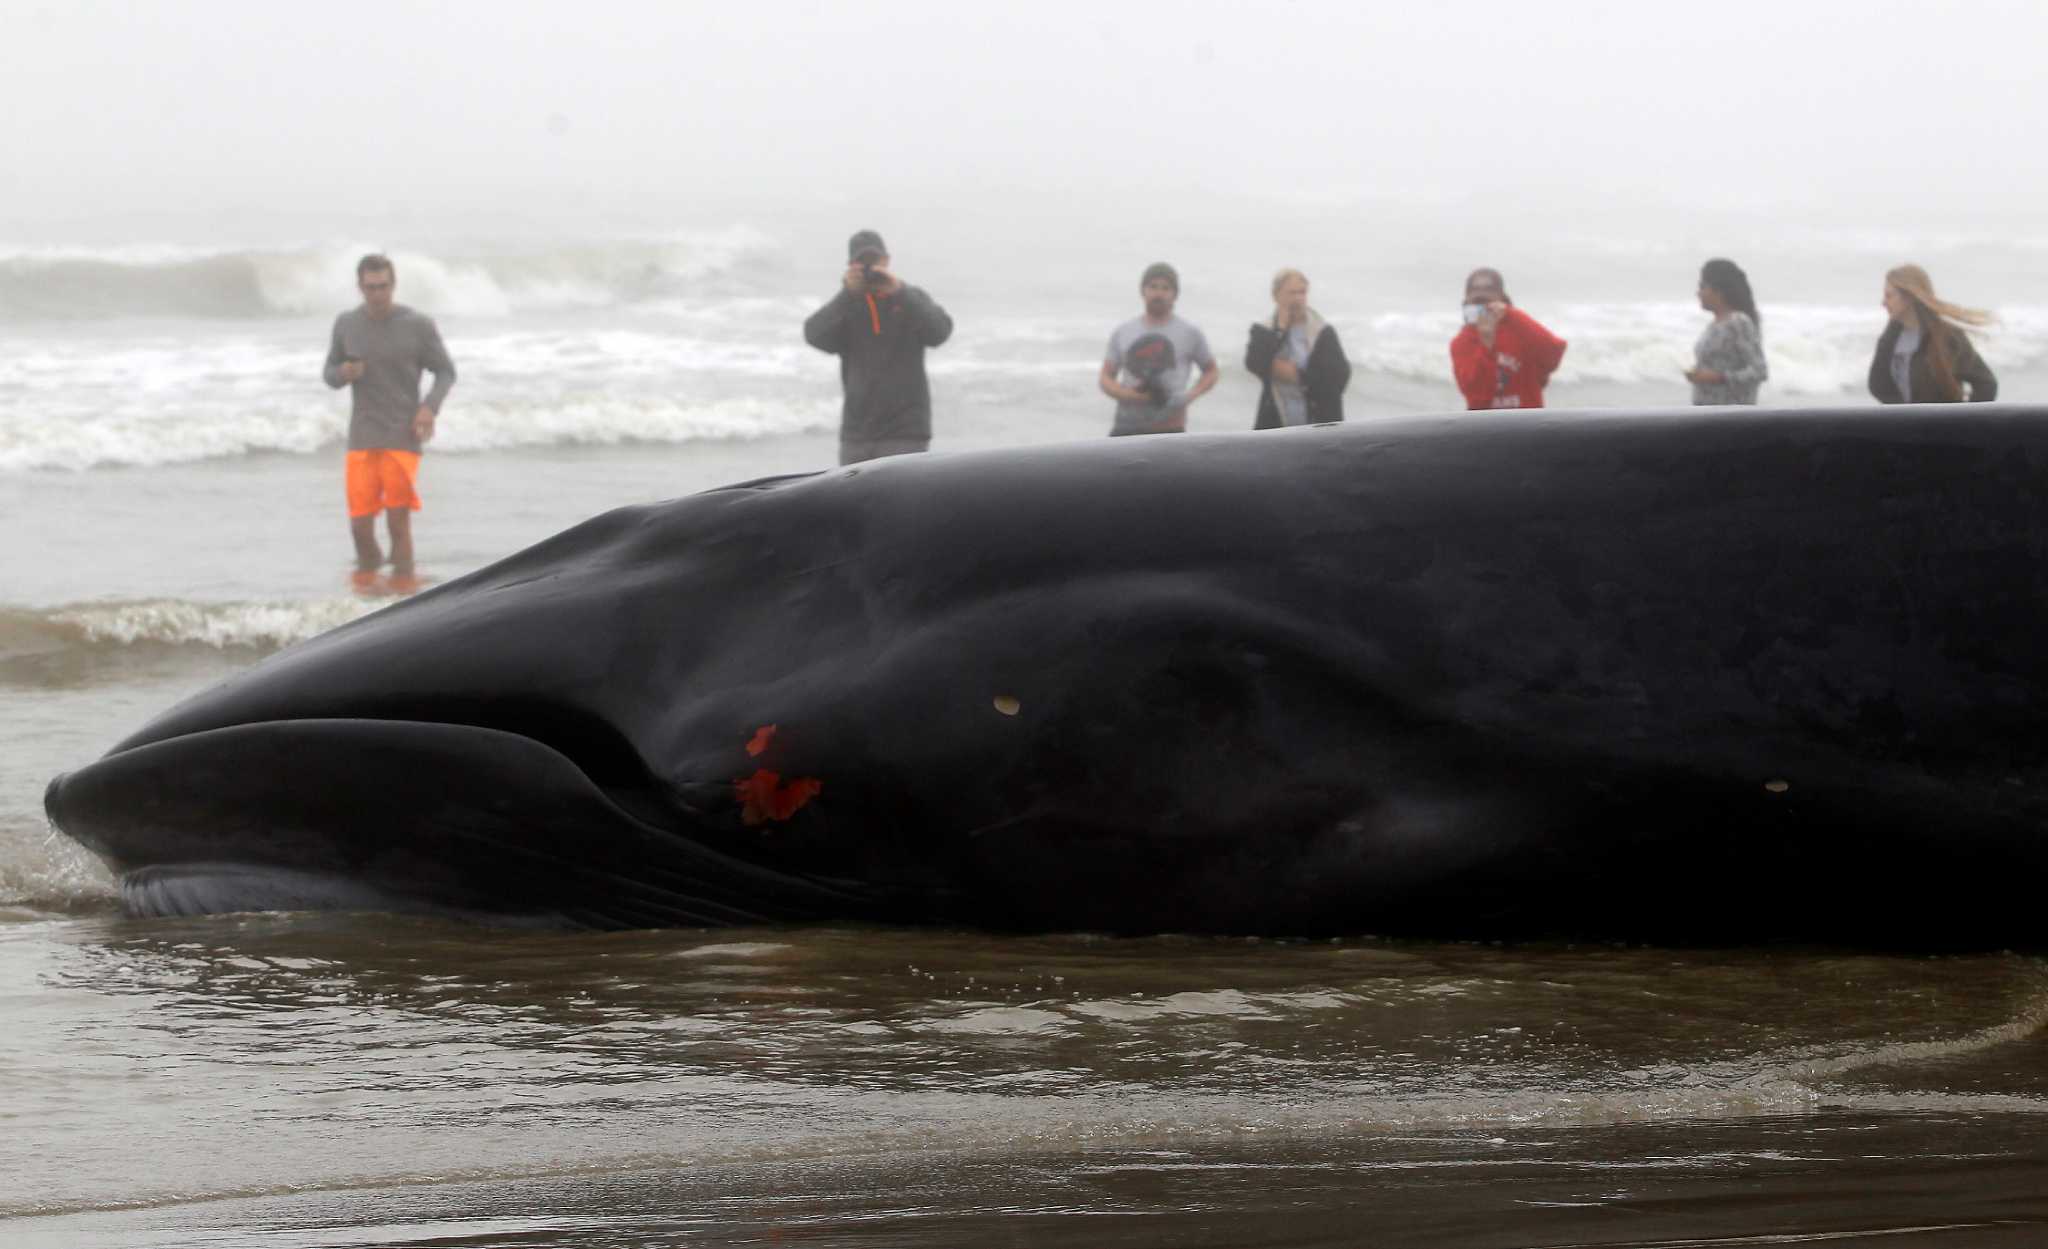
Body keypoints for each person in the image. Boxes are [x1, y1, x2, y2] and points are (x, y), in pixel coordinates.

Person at [322, 253, 456, 591]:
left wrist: (429, 408)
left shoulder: (417, 325)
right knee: (360, 527)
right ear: (360, 287)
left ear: (393, 285)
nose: (377, 294)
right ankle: (367, 595)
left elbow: (445, 371)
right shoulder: (347, 324)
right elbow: (329, 373)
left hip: (402, 434)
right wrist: (343, 373)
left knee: (398, 522)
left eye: (382, 287)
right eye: (370, 288)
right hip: (362, 434)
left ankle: (403, 592)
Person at [803, 230, 953, 465]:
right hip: (857, 435)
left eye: (874, 260)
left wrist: (900, 292)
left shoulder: (910, 299)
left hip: (907, 432)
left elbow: (940, 332)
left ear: (886, 260)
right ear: (851, 266)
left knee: (904, 500)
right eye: (862, 262)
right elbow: (813, 335)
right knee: (854, 502)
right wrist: (847, 294)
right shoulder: (847, 307)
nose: (870, 267)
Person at [1100, 262, 1220, 436]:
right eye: (1153, 286)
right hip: (1126, 427)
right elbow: (1105, 377)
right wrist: (1128, 394)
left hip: (1170, 428)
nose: (1159, 293)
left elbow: (1211, 371)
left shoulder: (1190, 333)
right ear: (1143, 291)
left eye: (1166, 288)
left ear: (1175, 294)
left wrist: (1189, 396)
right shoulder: (1124, 332)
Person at [1868, 264, 1997, 403]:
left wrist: (1964, 421)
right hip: (1902, 424)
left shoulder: (1948, 336)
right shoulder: (1890, 338)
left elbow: (1986, 384)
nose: (1883, 302)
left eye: (1889, 295)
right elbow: (1877, 386)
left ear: (1909, 298)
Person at [1245, 268, 1351, 427]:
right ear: (1276, 295)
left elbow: (1339, 376)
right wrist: (1280, 327)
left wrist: (1297, 375)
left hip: (1318, 423)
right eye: (1291, 293)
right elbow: (1254, 362)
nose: (1298, 299)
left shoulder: (1322, 331)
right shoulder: (1264, 330)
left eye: (1302, 293)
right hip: (1276, 420)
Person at [1449, 267, 1566, 410]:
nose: (1481, 294)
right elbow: (1477, 397)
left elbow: (1554, 353)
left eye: (1489, 289)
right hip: (1484, 427)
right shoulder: (1462, 342)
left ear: (1501, 297)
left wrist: (1511, 314)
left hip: (1527, 423)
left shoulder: (1520, 329)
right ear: (1467, 299)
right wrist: (1486, 344)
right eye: (1475, 289)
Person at [1684, 258, 1769, 405]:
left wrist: (1719, 377)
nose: (1698, 293)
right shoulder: (1714, 325)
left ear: (1719, 291)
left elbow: (1759, 371)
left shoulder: (1738, 322)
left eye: (1703, 287)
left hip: (1729, 418)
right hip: (1707, 416)